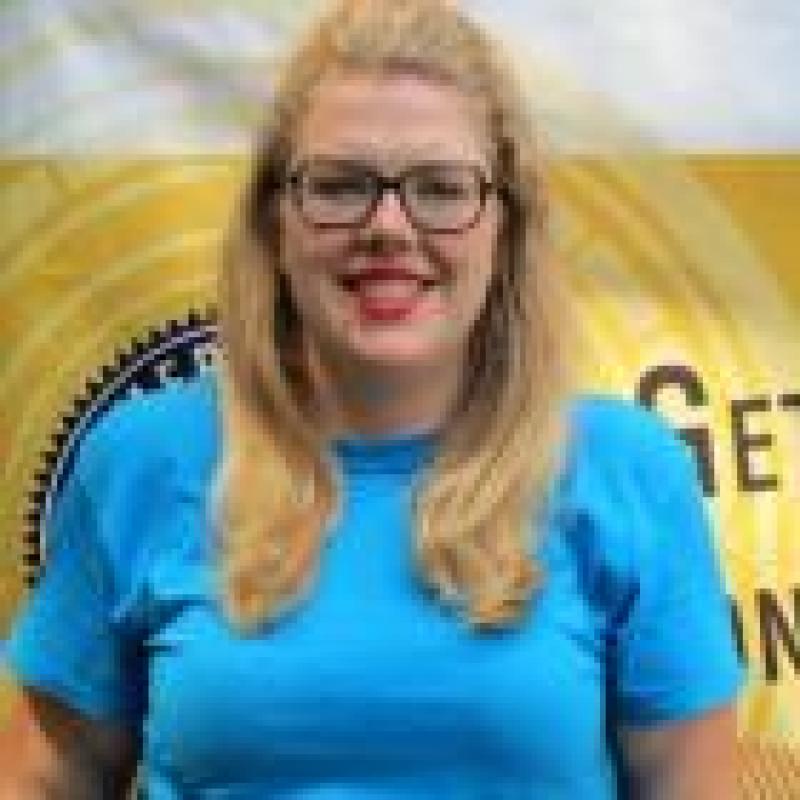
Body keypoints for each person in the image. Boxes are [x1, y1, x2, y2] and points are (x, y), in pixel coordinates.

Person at [0, 0, 744, 797]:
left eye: (441, 188)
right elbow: (46, 778)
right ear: (275, 225)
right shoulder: (139, 461)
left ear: (505, 230)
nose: (389, 226)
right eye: (340, 185)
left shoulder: (628, 472)